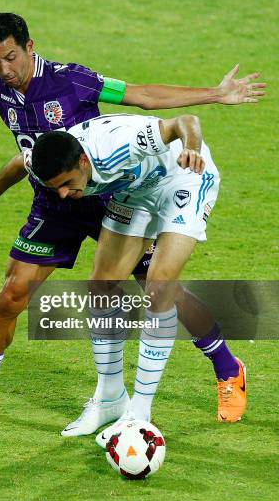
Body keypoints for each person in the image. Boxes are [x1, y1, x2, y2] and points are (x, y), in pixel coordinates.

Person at [0, 13, 261, 428]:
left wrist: (214, 94)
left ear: (30, 46)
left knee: (162, 289)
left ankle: (226, 368)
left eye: (10, 58)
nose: (4, 70)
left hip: (108, 197)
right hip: (54, 204)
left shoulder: (71, 80)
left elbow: (141, 95)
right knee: (12, 295)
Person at [29, 112, 247, 444]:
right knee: (101, 287)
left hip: (182, 179)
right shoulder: (45, 159)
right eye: (53, 187)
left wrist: (192, 148)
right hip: (136, 193)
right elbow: (20, 161)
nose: (61, 193)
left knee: (159, 287)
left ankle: (140, 412)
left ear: (84, 161)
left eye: (66, 183)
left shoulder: (119, 145)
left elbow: (184, 121)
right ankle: (109, 399)